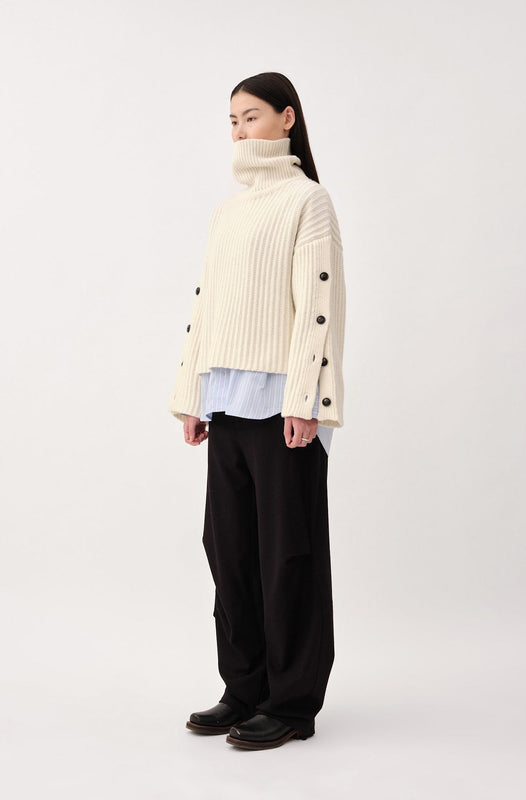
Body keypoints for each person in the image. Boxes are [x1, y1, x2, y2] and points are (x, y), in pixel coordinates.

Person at [168, 72, 346, 750]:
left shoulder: (308, 200)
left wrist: (305, 400)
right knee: (231, 551)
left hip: (282, 409)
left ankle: (291, 703)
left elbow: (318, 307)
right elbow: (207, 305)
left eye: (251, 116)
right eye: (233, 120)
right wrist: (192, 394)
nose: (240, 130)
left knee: (288, 554)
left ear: (287, 118)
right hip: (226, 403)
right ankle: (243, 688)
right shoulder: (230, 211)